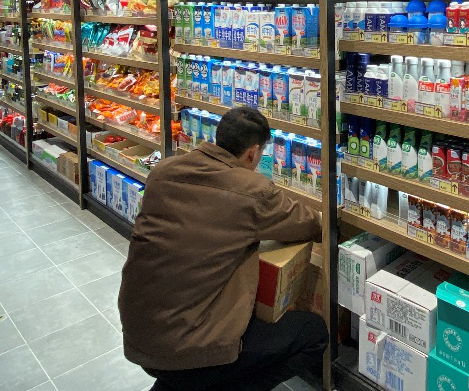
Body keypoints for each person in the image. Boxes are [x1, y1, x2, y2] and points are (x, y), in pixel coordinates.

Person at [119, 106, 326, 391]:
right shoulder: (252, 190)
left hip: (139, 334)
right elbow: (308, 225)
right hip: (189, 345)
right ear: (252, 153)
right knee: (313, 334)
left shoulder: (163, 170)